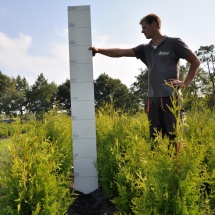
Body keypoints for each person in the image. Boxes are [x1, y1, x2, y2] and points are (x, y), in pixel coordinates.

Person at [89, 14, 200, 151]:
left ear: (154, 24)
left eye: (144, 27)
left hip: (170, 99)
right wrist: (99, 50)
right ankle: (158, 169)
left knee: (175, 138)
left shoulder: (174, 43)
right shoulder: (145, 49)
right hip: (152, 100)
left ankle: (176, 170)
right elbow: (120, 52)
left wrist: (185, 83)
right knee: (156, 140)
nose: (142, 31)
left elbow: (195, 61)